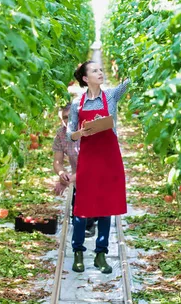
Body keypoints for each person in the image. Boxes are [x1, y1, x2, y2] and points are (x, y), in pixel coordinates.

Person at [67, 60, 129, 273]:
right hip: (89, 158)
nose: (100, 73)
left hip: (110, 158)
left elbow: (131, 81)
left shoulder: (111, 95)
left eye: (101, 70)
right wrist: (80, 133)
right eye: (95, 71)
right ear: (85, 78)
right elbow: (70, 134)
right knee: (82, 207)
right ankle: (78, 251)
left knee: (107, 206)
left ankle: (101, 254)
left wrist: (127, 65)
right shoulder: (78, 104)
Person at [53, 104, 96, 237]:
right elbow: (57, 162)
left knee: (90, 210)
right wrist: (62, 174)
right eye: (65, 118)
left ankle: (92, 222)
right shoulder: (61, 135)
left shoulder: (89, 133)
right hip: (78, 179)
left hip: (96, 176)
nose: (68, 120)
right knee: (77, 212)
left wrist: (68, 180)